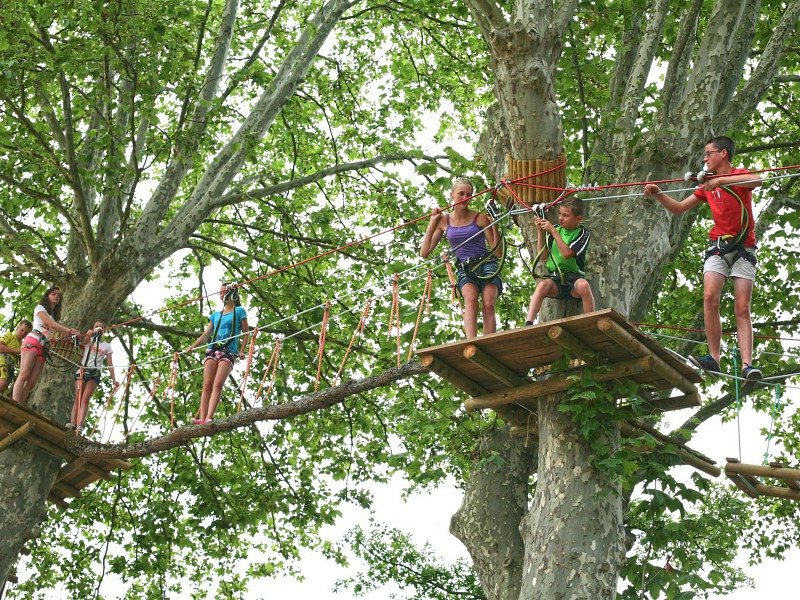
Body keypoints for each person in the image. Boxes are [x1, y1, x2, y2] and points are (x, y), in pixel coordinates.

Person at [644, 135, 763, 381]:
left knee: (741, 308)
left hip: (744, 249)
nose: (704, 158)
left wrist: (721, 180)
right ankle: (714, 358)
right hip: (718, 247)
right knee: (710, 297)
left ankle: (747, 365)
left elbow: (757, 180)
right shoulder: (707, 186)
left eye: (709, 153)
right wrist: (658, 195)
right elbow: (678, 208)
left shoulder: (738, 175)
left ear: (723, 154)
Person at [420, 177, 502, 339]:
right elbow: (424, 253)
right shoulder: (444, 221)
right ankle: (471, 342)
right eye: (461, 194)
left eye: (469, 195)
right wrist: (432, 222)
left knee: (488, 305)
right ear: (451, 195)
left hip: (486, 264)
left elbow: (497, 252)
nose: (466, 198)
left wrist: (495, 226)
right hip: (465, 267)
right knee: (471, 301)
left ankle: (490, 342)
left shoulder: (479, 218)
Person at [186, 283, 249, 423]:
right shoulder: (215, 315)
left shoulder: (239, 311)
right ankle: (202, 420)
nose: (221, 295)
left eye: (223, 292)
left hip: (228, 351)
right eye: (220, 293)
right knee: (207, 383)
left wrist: (242, 351)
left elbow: (246, 334)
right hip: (213, 350)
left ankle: (209, 418)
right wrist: (191, 347)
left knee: (218, 384)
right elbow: (205, 336)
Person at [525, 197, 595, 325]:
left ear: (578, 219)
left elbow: (567, 254)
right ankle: (529, 322)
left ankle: (590, 321)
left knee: (584, 286)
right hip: (556, 280)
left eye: (565, 215)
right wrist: (541, 232)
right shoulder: (556, 229)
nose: (561, 218)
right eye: (560, 214)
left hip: (574, 280)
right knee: (542, 286)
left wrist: (552, 231)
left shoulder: (583, 233)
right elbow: (543, 256)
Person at [13, 286, 80, 405]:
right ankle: (14, 402)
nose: (56, 296)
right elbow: (51, 325)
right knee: (24, 373)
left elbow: (60, 330)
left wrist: (74, 333)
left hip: (43, 347)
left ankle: (20, 405)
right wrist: (69, 331)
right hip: (33, 340)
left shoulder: (55, 318)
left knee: (32, 381)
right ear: (47, 296)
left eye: (58, 295)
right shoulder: (40, 308)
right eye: (53, 294)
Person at [69, 322, 118, 434]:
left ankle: (79, 426)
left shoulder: (106, 346)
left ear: (104, 330)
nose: (98, 328)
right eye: (96, 326)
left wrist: (114, 379)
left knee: (85, 399)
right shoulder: (89, 340)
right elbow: (83, 341)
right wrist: (89, 334)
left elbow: (110, 364)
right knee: (78, 398)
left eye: (101, 327)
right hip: (83, 370)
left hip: (94, 373)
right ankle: (72, 424)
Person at [0, 320, 33, 395]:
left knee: (4, 387)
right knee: (2, 381)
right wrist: (17, 351)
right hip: (2, 359)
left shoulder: (23, 345)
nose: (23, 333)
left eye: (26, 333)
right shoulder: (10, 335)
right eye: (22, 330)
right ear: (17, 328)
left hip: (11, 367)